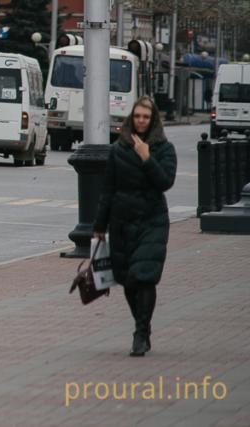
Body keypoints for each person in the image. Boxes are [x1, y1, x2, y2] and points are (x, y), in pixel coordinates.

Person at [93, 95, 176, 357]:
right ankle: (144, 325)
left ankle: (140, 334)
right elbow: (108, 190)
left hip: (152, 221)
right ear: (132, 118)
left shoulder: (164, 148)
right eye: (138, 116)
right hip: (122, 222)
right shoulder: (119, 149)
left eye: (146, 117)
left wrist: (147, 158)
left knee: (144, 277)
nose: (141, 121)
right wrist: (99, 226)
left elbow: (165, 182)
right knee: (128, 280)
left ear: (153, 120)